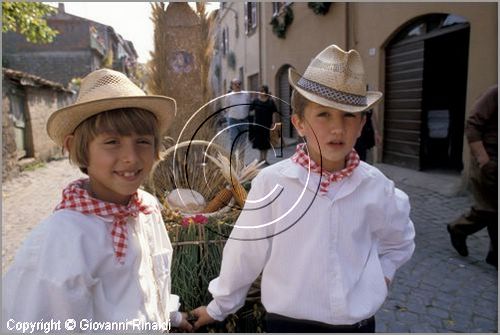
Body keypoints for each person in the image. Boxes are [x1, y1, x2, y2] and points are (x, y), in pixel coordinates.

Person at [191, 44, 415, 332]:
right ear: (299, 123)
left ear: (361, 125)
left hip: (356, 325)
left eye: (349, 116)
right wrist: (218, 307)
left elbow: (400, 240)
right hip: (288, 325)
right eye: (324, 115)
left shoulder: (377, 188)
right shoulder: (273, 184)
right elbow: (245, 252)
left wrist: (382, 275)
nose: (338, 128)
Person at [2, 69, 192, 332]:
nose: (131, 157)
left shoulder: (147, 208)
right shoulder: (62, 240)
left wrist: (172, 318)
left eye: (143, 141)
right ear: (75, 149)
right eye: (112, 142)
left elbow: (155, 279)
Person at [447, 85, 498, 268]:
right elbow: (473, 124)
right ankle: (458, 228)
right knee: (489, 208)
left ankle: (495, 253)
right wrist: (483, 157)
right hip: (489, 160)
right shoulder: (495, 93)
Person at [249, 85, 279, 164]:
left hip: (267, 124)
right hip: (258, 124)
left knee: (266, 141)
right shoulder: (255, 101)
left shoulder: (270, 101)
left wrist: (273, 122)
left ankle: (265, 159)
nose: (261, 92)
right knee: (259, 142)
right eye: (260, 90)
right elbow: (250, 110)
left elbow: (274, 112)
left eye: (263, 90)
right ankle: (260, 158)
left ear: (266, 91)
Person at [225, 78, 251, 150]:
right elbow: (227, 108)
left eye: (239, 83)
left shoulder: (246, 95)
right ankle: (233, 159)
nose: (237, 85)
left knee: (243, 143)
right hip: (233, 121)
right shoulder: (229, 96)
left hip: (244, 121)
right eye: (235, 84)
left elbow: (248, 106)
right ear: (232, 85)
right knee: (234, 140)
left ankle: (241, 160)